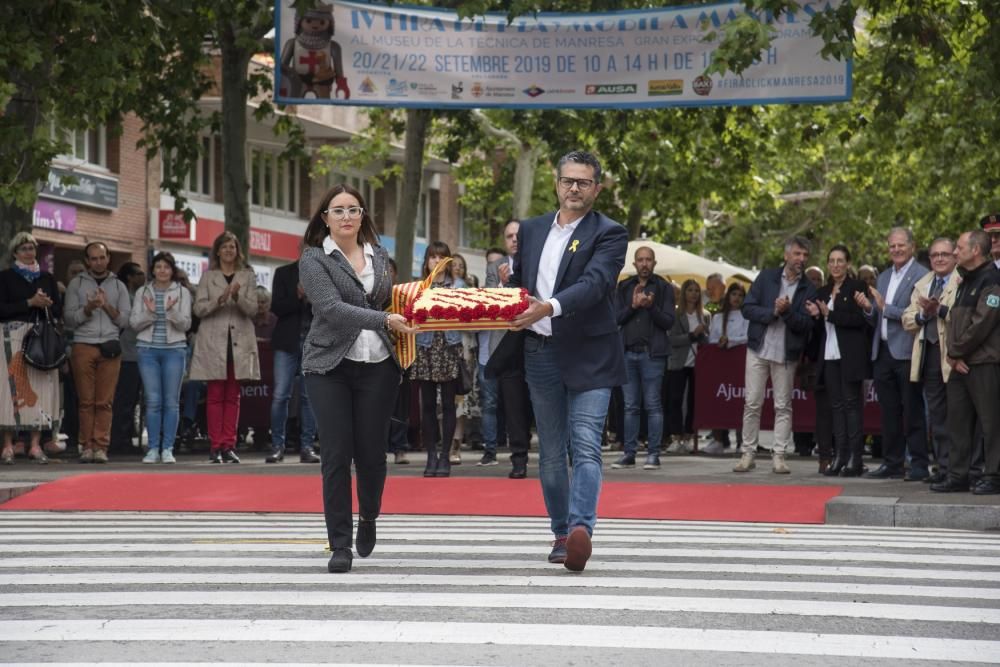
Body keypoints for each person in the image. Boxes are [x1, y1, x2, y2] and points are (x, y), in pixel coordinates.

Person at [508, 150, 628, 572]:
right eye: (567, 181)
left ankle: (581, 530)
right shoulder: (531, 229)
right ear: (556, 184)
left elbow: (595, 284)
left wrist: (550, 307)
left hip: (591, 354)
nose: (573, 188)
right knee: (553, 452)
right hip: (540, 352)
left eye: (583, 182)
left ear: (597, 188)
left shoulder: (611, 233)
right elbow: (522, 286)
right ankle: (561, 533)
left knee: (586, 444)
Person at [300, 184, 416, 573]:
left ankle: (369, 517)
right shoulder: (314, 259)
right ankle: (339, 544)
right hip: (328, 366)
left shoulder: (379, 256)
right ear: (325, 218)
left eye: (353, 209)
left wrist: (418, 311)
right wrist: (384, 319)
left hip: (379, 364)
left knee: (371, 453)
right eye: (338, 210)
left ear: (362, 216)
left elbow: (389, 301)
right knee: (336, 453)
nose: (347, 216)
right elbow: (332, 309)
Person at [734, 236, 817, 474]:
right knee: (752, 402)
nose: (801, 259)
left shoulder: (807, 288)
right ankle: (747, 454)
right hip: (759, 349)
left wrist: (788, 312)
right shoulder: (766, 277)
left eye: (805, 256)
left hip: (786, 353)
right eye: (797, 254)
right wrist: (773, 311)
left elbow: (806, 325)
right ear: (786, 255)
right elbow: (748, 307)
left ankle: (779, 455)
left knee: (783, 405)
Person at [855, 227, 929, 480]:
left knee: (913, 411)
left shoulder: (923, 276)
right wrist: (868, 308)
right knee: (888, 413)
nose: (896, 250)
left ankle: (918, 465)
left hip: (907, 352)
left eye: (900, 245)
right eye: (892, 246)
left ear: (912, 246)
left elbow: (915, 315)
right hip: (883, 351)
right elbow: (877, 314)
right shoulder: (884, 276)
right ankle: (892, 463)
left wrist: (885, 308)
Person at [931, 230, 1000, 494]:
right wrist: (952, 354)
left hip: (984, 363)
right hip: (959, 362)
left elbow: (983, 324)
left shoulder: (992, 280)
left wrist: (956, 352)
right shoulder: (963, 280)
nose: (954, 253)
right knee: (957, 421)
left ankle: (993, 475)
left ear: (975, 251)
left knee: (991, 422)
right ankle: (957, 474)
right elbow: (954, 322)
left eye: (959, 248)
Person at [189, 231, 260, 464]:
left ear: (238, 251)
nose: (229, 250)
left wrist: (237, 296)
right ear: (217, 251)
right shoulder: (208, 277)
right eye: (225, 247)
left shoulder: (247, 276)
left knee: (233, 395)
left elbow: (253, 310)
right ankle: (215, 445)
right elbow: (198, 310)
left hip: (238, 342)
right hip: (213, 341)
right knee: (215, 394)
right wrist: (220, 298)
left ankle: (229, 445)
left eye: (233, 246)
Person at [805, 245, 872, 477]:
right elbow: (820, 327)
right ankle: (839, 456)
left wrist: (829, 314)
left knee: (852, 406)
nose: (835, 265)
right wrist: (816, 316)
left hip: (850, 356)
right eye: (831, 261)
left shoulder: (857, 287)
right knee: (836, 407)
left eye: (840, 260)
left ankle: (855, 458)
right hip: (829, 355)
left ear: (848, 263)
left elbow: (859, 321)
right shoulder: (822, 291)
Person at [64, 241, 132, 464]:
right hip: (83, 345)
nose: (98, 262)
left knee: (105, 401)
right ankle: (86, 446)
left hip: (110, 347)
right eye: (93, 258)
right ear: (87, 261)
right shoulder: (76, 283)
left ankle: (101, 447)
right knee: (85, 401)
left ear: (108, 258)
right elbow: (69, 319)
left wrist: (105, 306)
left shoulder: (119, 286)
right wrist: (89, 308)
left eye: (102, 257)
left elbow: (125, 320)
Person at [0, 232, 62, 465]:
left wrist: (46, 305)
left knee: (39, 389)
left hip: (39, 339)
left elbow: (57, 311)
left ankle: (35, 445)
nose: (29, 252)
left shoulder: (46, 278)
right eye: (24, 248)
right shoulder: (5, 278)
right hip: (11, 337)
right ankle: (7, 445)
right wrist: (28, 303)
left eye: (32, 248)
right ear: (15, 252)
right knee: (9, 389)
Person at [612, 246, 675, 470]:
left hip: (653, 354)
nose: (645, 264)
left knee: (653, 405)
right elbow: (615, 318)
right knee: (630, 406)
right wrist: (633, 306)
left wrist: (650, 307)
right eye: (641, 260)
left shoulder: (664, 287)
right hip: (627, 352)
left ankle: (653, 454)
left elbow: (669, 321)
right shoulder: (624, 286)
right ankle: (629, 454)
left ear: (654, 263)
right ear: (634, 264)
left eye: (649, 260)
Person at [902, 237, 959, 485]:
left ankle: (961, 469)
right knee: (936, 416)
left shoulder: (963, 280)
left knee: (960, 417)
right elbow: (907, 319)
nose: (939, 259)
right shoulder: (923, 283)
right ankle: (943, 467)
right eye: (935, 255)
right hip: (930, 355)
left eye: (944, 254)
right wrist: (923, 314)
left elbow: (965, 318)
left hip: (957, 356)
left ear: (955, 256)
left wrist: (940, 311)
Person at [129, 252, 191, 464]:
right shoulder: (142, 292)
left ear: (172, 270)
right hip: (148, 350)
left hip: (175, 350)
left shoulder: (182, 293)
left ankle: (168, 448)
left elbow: (186, 325)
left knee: (171, 402)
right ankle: (153, 448)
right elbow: (134, 323)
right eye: (158, 267)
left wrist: (169, 311)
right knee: (153, 401)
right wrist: (152, 312)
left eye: (166, 267)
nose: (162, 270)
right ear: (152, 270)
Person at [411, 241, 466, 478]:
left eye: (441, 257)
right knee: (428, 406)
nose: (436, 261)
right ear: (426, 261)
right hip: (424, 348)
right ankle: (431, 455)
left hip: (449, 347)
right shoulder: (418, 287)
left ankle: (445, 455)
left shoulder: (458, 286)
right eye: (432, 257)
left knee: (448, 404)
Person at [484, 225, 533, 478]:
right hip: (506, 344)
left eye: (518, 236)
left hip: (536, 341)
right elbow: (490, 305)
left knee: (540, 403)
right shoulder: (495, 267)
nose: (514, 240)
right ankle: (519, 459)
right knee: (512, 404)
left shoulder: (537, 260)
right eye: (509, 236)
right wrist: (506, 287)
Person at [268, 258, 319, 464]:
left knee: (310, 397)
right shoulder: (283, 272)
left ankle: (307, 446)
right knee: (281, 395)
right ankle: (277, 446)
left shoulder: (323, 273)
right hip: (287, 342)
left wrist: (311, 298)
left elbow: (330, 308)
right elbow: (276, 307)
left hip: (313, 342)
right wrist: (297, 296)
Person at [665, 279, 708, 454]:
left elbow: (707, 341)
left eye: (696, 290)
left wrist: (703, 335)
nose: (694, 294)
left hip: (697, 363)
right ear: (684, 293)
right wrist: (692, 335)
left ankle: (689, 436)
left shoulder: (704, 315)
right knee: (675, 400)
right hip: (678, 362)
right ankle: (676, 437)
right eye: (690, 290)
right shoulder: (676, 314)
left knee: (693, 401)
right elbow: (672, 339)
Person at [704, 282, 748, 454]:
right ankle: (718, 439)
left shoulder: (747, 316)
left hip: (740, 364)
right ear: (728, 296)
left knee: (741, 401)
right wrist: (720, 342)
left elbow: (747, 337)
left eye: (740, 295)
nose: (736, 298)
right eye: (734, 294)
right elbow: (711, 339)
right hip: (720, 365)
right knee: (720, 400)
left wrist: (730, 341)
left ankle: (742, 440)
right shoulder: (718, 317)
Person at [110, 262, 145, 455]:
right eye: (139, 274)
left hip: (137, 354)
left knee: (131, 401)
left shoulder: (139, 296)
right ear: (130, 277)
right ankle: (119, 439)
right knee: (124, 400)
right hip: (126, 355)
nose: (143, 276)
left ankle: (125, 437)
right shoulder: (126, 298)